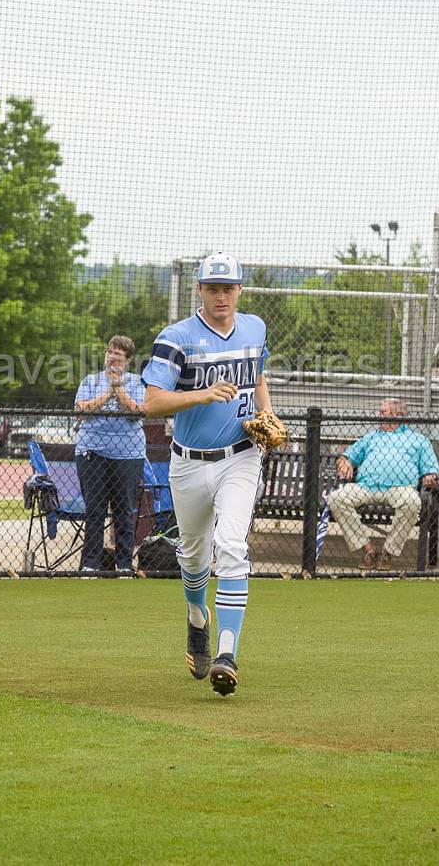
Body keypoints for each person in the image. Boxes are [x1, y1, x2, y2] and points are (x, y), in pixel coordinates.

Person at [143, 251, 275, 697]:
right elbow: (152, 402)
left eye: (229, 288)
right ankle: (197, 618)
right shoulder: (177, 337)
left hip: (241, 455)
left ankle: (227, 653)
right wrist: (201, 395)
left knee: (232, 546)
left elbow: (256, 373)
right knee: (195, 558)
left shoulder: (254, 327)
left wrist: (268, 415)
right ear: (199, 289)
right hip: (189, 464)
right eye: (213, 288)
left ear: (240, 290)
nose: (221, 296)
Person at [326, 398, 439, 571]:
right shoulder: (370, 437)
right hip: (367, 486)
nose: (379, 415)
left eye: (383, 412)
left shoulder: (418, 440)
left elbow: (432, 470)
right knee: (336, 498)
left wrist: (431, 478)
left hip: (401, 488)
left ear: (397, 415)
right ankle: (368, 550)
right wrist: (344, 462)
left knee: (413, 502)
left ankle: (388, 552)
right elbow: (347, 456)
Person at [73, 335, 146, 574]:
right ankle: (90, 565)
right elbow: (81, 412)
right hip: (92, 452)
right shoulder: (91, 380)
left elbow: (137, 412)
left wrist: (119, 390)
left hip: (128, 455)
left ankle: (124, 565)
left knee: (123, 510)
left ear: (128, 360)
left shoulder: (137, 382)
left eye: (118, 353)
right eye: (110, 351)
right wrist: (107, 394)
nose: (112, 356)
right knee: (94, 510)